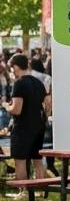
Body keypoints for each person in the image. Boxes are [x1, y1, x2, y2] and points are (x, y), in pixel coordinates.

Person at [3, 53, 52, 192]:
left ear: (16, 67)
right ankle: (41, 191)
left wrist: (7, 106)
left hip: (23, 128)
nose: (12, 72)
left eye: (11, 68)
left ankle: (23, 191)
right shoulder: (39, 83)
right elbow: (48, 105)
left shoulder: (19, 83)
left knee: (20, 162)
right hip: (39, 126)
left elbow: (17, 109)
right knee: (37, 161)